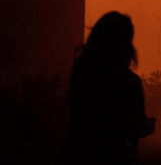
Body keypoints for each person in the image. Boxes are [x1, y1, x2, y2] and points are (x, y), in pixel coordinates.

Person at [59, 11, 155, 165]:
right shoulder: (128, 82)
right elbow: (136, 125)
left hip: (76, 152)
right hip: (114, 154)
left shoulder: (82, 72)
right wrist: (149, 126)